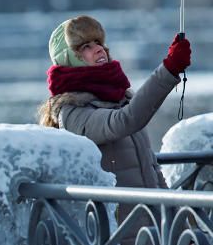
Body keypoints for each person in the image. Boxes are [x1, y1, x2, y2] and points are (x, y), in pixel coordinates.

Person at [37, 14, 191, 188]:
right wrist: (169, 69)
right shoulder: (71, 112)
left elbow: (151, 166)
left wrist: (170, 209)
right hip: (115, 215)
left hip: (149, 213)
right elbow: (124, 120)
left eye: (98, 43)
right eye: (86, 46)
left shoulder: (122, 98)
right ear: (70, 58)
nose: (99, 49)